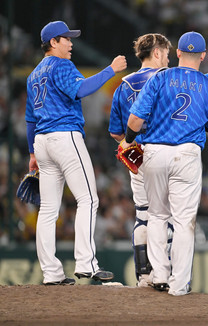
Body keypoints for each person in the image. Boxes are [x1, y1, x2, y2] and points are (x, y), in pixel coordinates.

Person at [108, 33, 208, 287]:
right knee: (182, 221)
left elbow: (129, 124)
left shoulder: (156, 78)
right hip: (186, 154)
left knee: (152, 216)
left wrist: (128, 141)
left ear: (178, 53)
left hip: (150, 153)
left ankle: (155, 276)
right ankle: (179, 284)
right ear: (202, 56)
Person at [25, 21, 127, 285]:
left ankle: (51, 273)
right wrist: (110, 70)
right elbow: (81, 90)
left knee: (47, 209)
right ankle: (86, 264)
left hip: (42, 142)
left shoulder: (33, 75)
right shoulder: (61, 65)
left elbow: (29, 119)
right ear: (53, 42)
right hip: (65, 136)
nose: (71, 43)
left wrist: (31, 152)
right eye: (66, 39)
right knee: (89, 200)